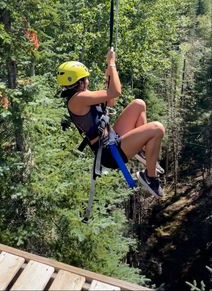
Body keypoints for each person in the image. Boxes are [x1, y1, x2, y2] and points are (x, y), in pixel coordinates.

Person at [57, 48, 165, 198]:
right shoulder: (78, 99)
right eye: (86, 78)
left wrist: (109, 73)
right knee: (157, 128)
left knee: (138, 104)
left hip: (112, 137)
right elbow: (116, 92)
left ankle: (142, 151)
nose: (88, 81)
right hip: (109, 152)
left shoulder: (81, 96)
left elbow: (111, 101)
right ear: (80, 82)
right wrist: (112, 63)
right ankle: (150, 177)